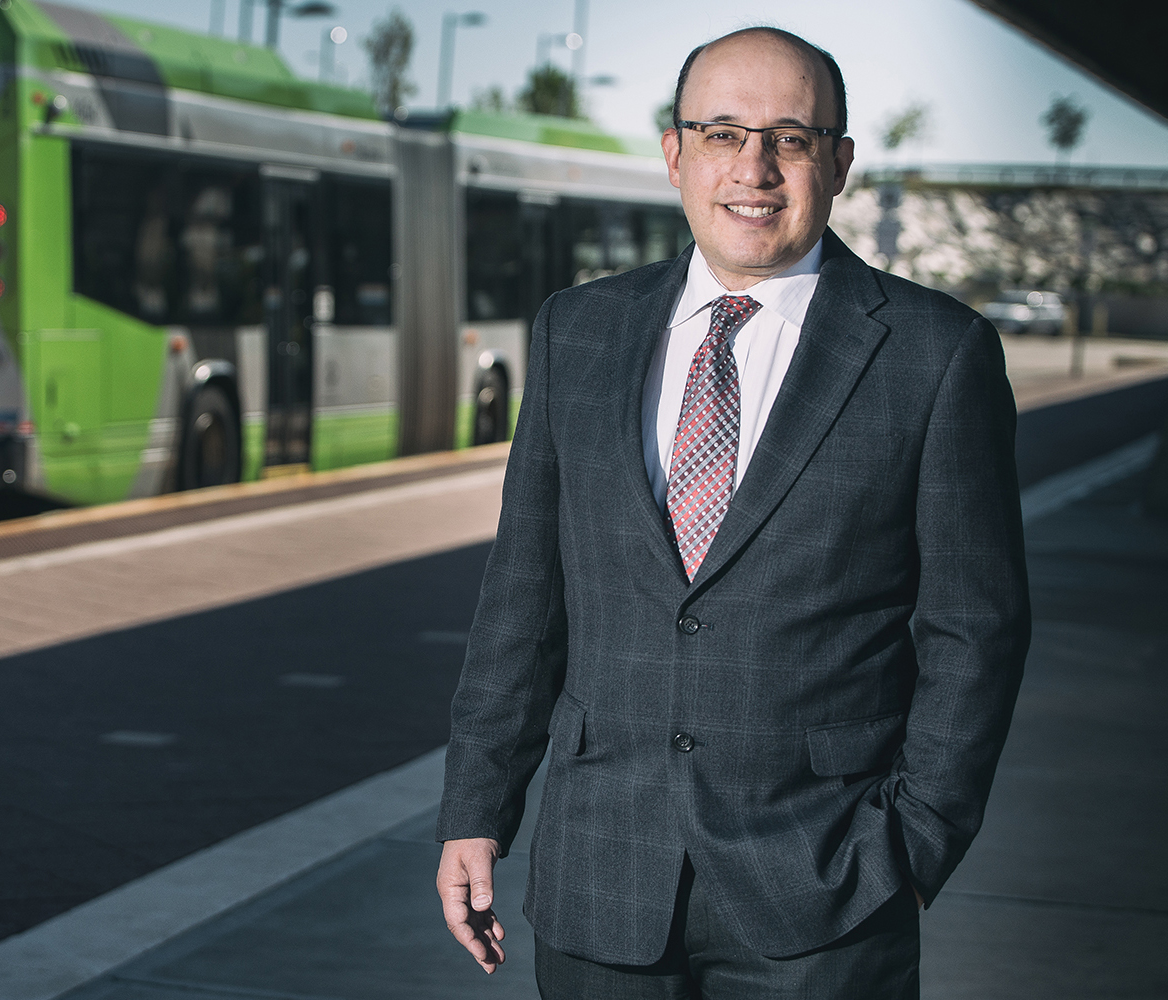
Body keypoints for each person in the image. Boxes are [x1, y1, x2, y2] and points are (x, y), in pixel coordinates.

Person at [434, 26, 1029, 998]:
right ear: (674, 155)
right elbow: (524, 598)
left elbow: (976, 628)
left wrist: (917, 843)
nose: (754, 167)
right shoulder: (575, 330)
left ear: (838, 162)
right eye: (721, 132)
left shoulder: (935, 353)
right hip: (599, 876)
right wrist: (477, 806)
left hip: (826, 892)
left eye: (791, 137)